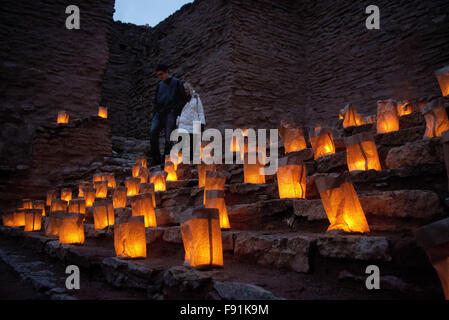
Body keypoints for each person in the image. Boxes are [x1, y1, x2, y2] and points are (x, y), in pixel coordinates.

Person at [149, 64, 188, 165]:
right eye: (158, 75)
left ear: (167, 72)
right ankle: (156, 159)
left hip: (170, 113)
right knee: (153, 132)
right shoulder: (159, 85)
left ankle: (166, 161)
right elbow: (156, 100)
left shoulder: (177, 82)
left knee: (168, 137)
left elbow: (183, 99)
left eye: (161, 74)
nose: (160, 77)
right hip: (159, 113)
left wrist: (175, 110)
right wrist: (155, 113)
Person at [177, 82, 206, 161]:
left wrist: (202, 123)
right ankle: (187, 164)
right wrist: (177, 123)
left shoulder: (196, 98)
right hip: (183, 124)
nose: (185, 91)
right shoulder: (179, 99)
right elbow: (177, 112)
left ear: (189, 89)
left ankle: (194, 165)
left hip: (195, 124)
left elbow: (200, 111)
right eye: (183, 90)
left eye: (186, 89)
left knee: (194, 146)